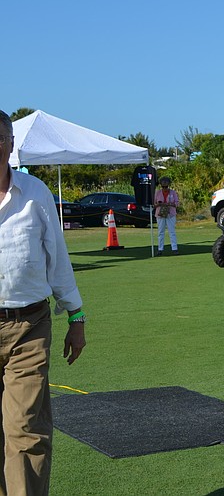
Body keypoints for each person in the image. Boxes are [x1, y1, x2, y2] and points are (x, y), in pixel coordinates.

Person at [0, 109, 87, 495]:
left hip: (28, 328)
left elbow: (58, 259)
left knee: (26, 432)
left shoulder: (35, 193)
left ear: (11, 145)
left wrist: (77, 315)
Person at [154, 177, 179, 255]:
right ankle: (160, 249)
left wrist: (171, 204)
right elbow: (154, 204)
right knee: (160, 232)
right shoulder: (157, 193)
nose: (165, 188)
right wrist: (159, 204)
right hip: (160, 214)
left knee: (172, 231)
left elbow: (177, 203)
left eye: (166, 186)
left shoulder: (173, 193)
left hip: (170, 214)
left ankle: (174, 248)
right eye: (163, 186)